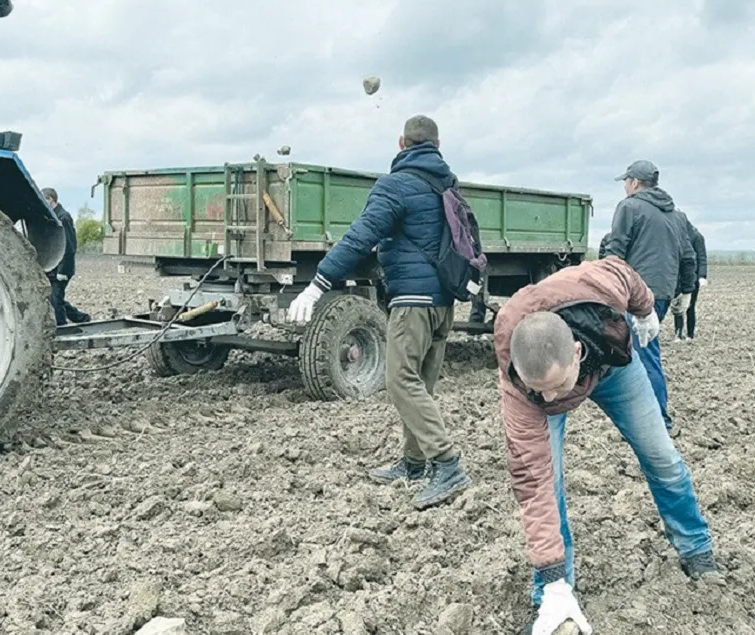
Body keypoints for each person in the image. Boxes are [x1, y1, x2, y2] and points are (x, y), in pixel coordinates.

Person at [493, 255, 720, 634]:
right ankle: (552, 596)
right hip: (555, 369)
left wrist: (646, 310)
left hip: (613, 368)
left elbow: (624, 271)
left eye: (555, 388)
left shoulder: (600, 287)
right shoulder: (520, 388)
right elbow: (533, 486)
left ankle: (696, 548)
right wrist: (551, 579)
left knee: (660, 455)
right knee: (549, 484)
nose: (550, 402)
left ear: (576, 355)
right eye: (540, 391)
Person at [286, 115, 470, 510]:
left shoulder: (395, 185)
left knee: (401, 382)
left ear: (402, 143)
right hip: (442, 304)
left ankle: (448, 464)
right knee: (421, 383)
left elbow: (359, 237)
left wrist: (318, 283)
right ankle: (415, 463)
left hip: (413, 304)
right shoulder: (448, 184)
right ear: (436, 145)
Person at [599, 160, 696, 434]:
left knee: (643, 356)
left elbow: (615, 252)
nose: (624, 188)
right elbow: (688, 255)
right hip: (663, 293)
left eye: (625, 183)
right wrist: (686, 291)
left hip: (636, 294)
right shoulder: (676, 215)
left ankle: (658, 422)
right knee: (636, 353)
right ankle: (640, 419)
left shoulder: (629, 207)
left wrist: (605, 289)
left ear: (634, 183)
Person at [42, 188, 91, 326]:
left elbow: (69, 246)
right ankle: (80, 318)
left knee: (56, 299)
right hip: (54, 268)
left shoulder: (63, 217)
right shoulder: (53, 216)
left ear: (50, 199)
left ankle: (62, 328)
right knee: (55, 297)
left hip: (62, 268)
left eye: (43, 199)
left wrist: (62, 271)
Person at [672, 211, 708, 341]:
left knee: (690, 306)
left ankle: (690, 334)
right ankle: (678, 334)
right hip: (677, 277)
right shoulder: (676, 236)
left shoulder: (697, 237)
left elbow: (702, 257)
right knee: (677, 306)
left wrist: (702, 276)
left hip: (693, 277)